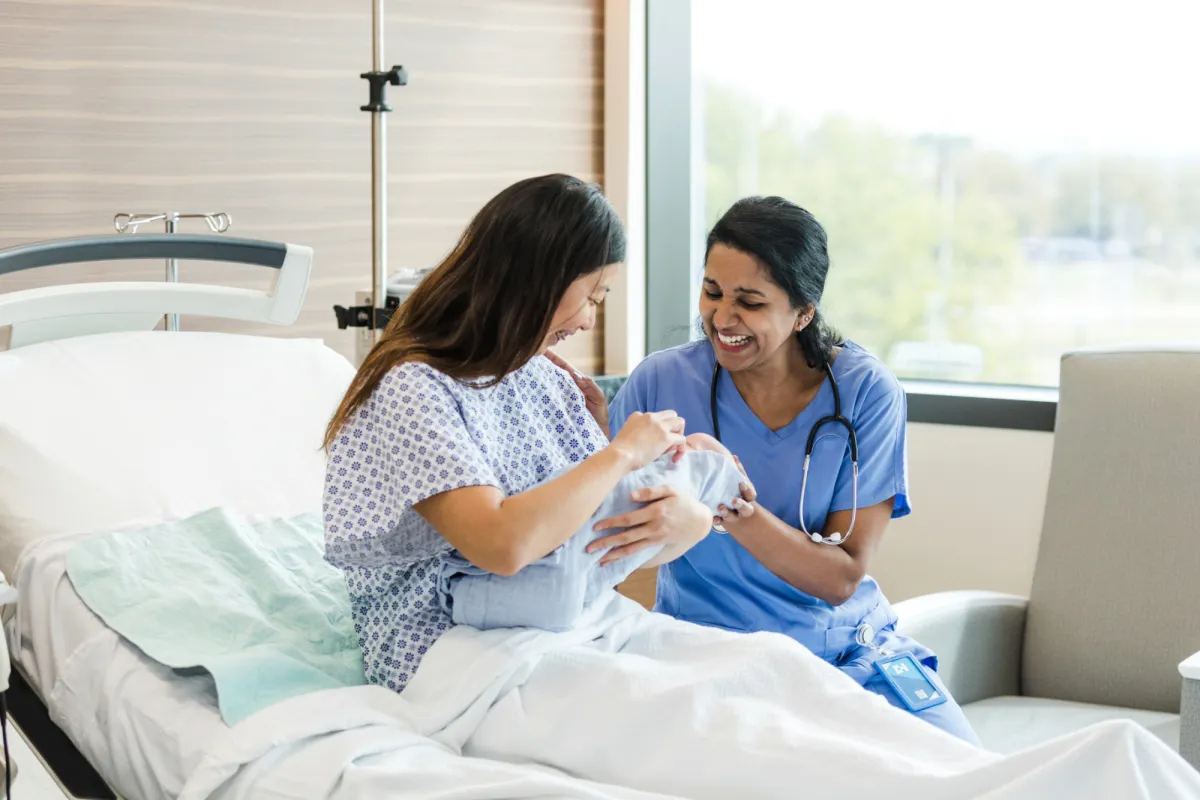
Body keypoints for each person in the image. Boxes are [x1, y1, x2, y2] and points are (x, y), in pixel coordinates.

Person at [602, 195, 982, 744]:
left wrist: (729, 500)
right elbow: (602, 521)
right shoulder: (661, 381)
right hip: (705, 653)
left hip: (846, 649)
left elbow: (840, 577)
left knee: (964, 768)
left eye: (749, 303)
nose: (721, 318)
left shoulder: (865, 392)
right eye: (712, 292)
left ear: (804, 312)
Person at [320, 173, 715, 693]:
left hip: (570, 627)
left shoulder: (547, 381)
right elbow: (502, 546)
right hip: (454, 651)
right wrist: (618, 454)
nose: (590, 323)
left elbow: (595, 548)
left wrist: (689, 524)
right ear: (537, 278)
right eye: (593, 296)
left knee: (762, 673)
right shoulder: (413, 389)